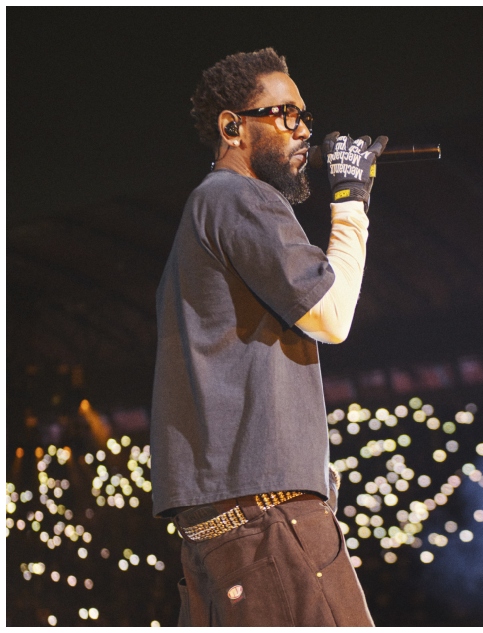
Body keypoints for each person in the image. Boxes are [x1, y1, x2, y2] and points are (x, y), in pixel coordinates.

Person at [149, 48, 387, 626]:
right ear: (232, 127)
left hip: (220, 524)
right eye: (286, 115)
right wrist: (351, 202)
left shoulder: (203, 213)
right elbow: (331, 315)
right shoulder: (239, 196)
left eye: (305, 116)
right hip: (267, 519)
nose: (304, 130)